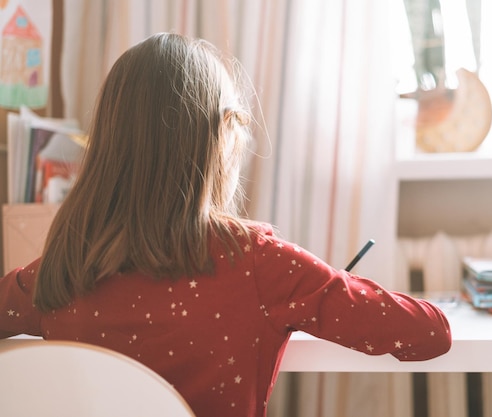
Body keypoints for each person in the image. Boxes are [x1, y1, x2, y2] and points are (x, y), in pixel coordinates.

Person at [0, 33, 451, 417]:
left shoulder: (60, 271)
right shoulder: (258, 264)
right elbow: (430, 333)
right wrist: (330, 285)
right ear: (221, 138)